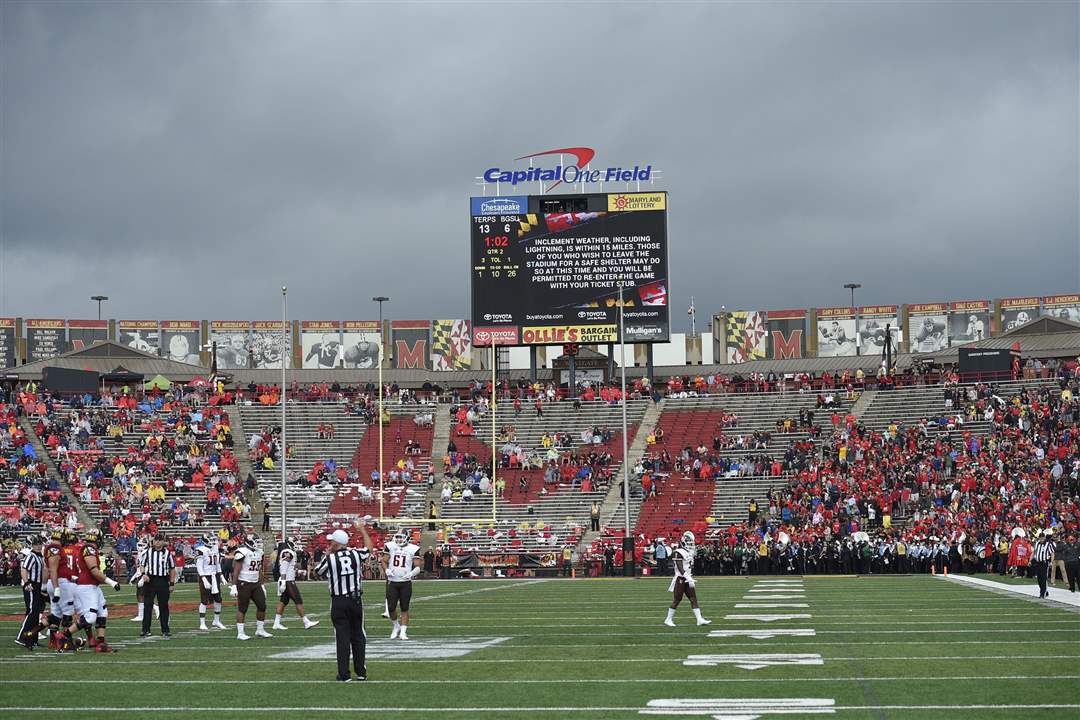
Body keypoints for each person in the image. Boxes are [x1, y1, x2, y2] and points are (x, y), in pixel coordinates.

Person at [316, 523, 373, 682]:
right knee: (358, 635)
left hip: (339, 601)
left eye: (332, 542)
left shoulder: (330, 558)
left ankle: (344, 674)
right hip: (355, 600)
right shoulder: (356, 554)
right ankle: (361, 672)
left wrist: (328, 553)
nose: (329, 544)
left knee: (342, 637)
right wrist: (362, 530)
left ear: (337, 543)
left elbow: (318, 571)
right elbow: (369, 548)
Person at [74, 528, 120, 653]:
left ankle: (100, 642)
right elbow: (94, 570)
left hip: (93, 586)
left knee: (103, 613)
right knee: (90, 617)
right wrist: (112, 582)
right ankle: (64, 635)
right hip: (86, 586)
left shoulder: (90, 549)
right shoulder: (89, 549)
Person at [664, 531, 710, 627]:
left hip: (688, 578)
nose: (691, 544)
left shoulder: (689, 552)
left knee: (693, 598)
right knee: (677, 599)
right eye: (689, 542)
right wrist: (688, 577)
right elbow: (680, 568)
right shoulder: (678, 552)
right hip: (681, 579)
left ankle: (699, 619)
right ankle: (668, 619)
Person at [231, 534, 272, 640]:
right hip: (244, 583)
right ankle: (240, 633)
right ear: (249, 542)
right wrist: (234, 586)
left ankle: (260, 630)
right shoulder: (242, 552)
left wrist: (262, 584)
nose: (258, 544)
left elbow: (259, 570)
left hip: (255, 584)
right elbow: (236, 570)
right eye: (256, 541)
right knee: (243, 608)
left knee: (262, 605)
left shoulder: (259, 552)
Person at [382, 530, 420, 640]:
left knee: (404, 608)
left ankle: (403, 632)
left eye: (401, 537)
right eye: (397, 537)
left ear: (407, 537)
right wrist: (387, 570)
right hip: (392, 582)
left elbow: (417, 566)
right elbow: (384, 561)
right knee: (391, 608)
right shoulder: (390, 546)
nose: (398, 539)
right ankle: (396, 626)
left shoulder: (413, 548)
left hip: (405, 583)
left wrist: (412, 573)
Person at [273, 539, 319, 630]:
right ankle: (306, 622)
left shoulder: (286, 552)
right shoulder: (287, 552)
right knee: (298, 600)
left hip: (286, 580)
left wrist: (298, 571)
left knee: (283, 601)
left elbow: (288, 567)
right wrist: (283, 581)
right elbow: (284, 567)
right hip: (288, 581)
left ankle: (276, 623)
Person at [139, 533, 176, 638]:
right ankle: (145, 629)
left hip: (163, 580)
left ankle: (165, 630)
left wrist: (172, 583)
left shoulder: (168, 553)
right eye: (156, 540)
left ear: (163, 541)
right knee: (147, 605)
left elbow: (172, 569)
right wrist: (143, 574)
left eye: (160, 540)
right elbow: (142, 565)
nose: (158, 542)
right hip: (150, 580)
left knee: (164, 606)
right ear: (153, 541)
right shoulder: (147, 552)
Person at [16, 534, 45, 650]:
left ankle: (33, 639)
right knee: (33, 611)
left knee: (36, 612)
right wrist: (27, 583)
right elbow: (24, 569)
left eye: (39, 544)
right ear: (32, 545)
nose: (38, 546)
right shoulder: (31, 556)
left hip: (38, 586)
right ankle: (22, 637)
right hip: (32, 585)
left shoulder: (40, 556)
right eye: (36, 544)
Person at [195, 533, 227, 631]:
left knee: (218, 599)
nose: (214, 541)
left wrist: (221, 575)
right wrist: (203, 578)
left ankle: (216, 621)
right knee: (204, 600)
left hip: (214, 576)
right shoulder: (201, 550)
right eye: (211, 539)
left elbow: (217, 564)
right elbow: (199, 566)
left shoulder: (215, 549)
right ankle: (202, 623)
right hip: (206, 576)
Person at [1032, 529, 1056, 599]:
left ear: (1045, 538)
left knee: (1044, 578)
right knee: (1039, 579)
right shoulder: (1037, 543)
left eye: (1043, 537)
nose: (1042, 539)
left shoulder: (1048, 544)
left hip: (1045, 563)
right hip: (1038, 563)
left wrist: (1051, 562)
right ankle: (1045, 591)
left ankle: (1042, 593)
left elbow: (1052, 553)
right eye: (1040, 537)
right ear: (1039, 538)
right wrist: (1030, 560)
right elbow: (1034, 552)